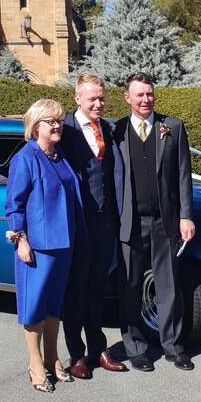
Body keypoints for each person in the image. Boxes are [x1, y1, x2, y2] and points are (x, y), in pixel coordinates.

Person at [113, 73, 196, 372]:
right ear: (127, 98)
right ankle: (136, 348)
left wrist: (186, 215)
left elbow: (183, 175)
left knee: (169, 286)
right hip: (130, 223)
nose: (146, 99)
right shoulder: (116, 131)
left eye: (149, 94)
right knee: (130, 286)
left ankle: (174, 347)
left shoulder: (172, 128)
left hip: (166, 221)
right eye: (140, 95)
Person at [5, 99, 82, 393]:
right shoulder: (25, 159)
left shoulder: (59, 155)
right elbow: (14, 205)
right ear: (36, 125)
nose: (57, 125)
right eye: (51, 121)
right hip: (37, 246)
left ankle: (52, 358)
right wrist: (19, 240)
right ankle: (35, 362)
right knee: (34, 305)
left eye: (60, 120)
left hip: (63, 243)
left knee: (53, 305)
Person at [60, 74, 127, 379]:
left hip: (104, 224)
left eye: (102, 98)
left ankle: (98, 349)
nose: (99, 103)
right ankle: (76, 354)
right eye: (92, 99)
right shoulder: (65, 131)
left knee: (98, 289)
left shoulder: (110, 130)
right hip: (76, 225)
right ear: (78, 99)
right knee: (76, 291)